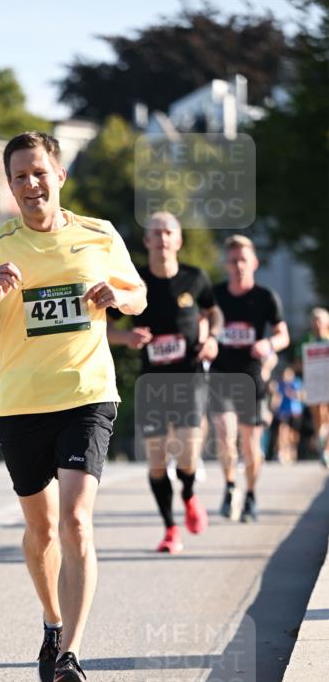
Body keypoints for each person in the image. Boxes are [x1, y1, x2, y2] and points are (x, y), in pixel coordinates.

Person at [0, 131, 146, 682]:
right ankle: (53, 624)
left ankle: (72, 657)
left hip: (87, 393)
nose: (31, 184)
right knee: (42, 530)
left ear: (59, 175)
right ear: (9, 187)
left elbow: (141, 295)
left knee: (77, 520)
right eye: (19, 177)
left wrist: (118, 298)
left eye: (39, 172)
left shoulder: (98, 234)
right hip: (23, 404)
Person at [109, 212, 221, 554]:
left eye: (168, 232)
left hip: (189, 380)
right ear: (146, 242)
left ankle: (188, 494)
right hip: (153, 384)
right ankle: (171, 529)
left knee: (188, 454)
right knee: (156, 461)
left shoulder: (195, 278)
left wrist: (212, 337)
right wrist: (126, 338)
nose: (161, 238)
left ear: (179, 239)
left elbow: (213, 312)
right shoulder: (134, 284)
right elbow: (103, 326)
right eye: (154, 233)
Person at [209, 235, 289, 520]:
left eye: (244, 260)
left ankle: (251, 495)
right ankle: (231, 486)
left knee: (250, 444)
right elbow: (200, 326)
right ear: (226, 264)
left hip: (250, 377)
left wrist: (269, 344)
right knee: (224, 436)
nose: (239, 265)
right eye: (233, 261)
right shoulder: (215, 296)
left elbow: (283, 335)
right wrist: (206, 342)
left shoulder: (265, 297)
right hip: (220, 375)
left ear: (254, 262)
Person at [305, 307, 329, 466]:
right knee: (318, 417)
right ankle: (322, 445)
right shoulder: (307, 341)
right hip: (314, 386)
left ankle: (326, 450)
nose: (317, 323)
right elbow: (298, 364)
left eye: (320, 319)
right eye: (314, 320)